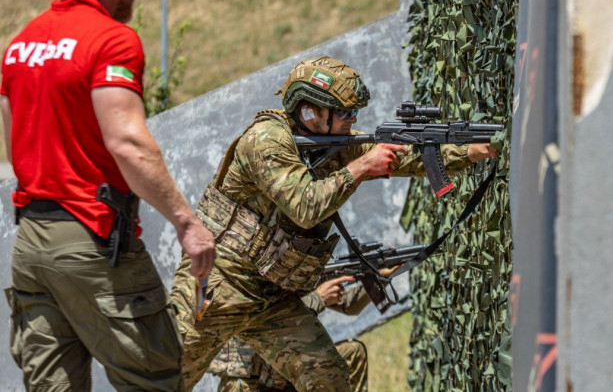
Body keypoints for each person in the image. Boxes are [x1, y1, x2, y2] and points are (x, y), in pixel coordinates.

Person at [171, 56, 498, 391]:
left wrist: (473, 150)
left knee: (329, 379)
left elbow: (407, 158)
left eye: (354, 113)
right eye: (345, 113)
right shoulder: (265, 140)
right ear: (311, 111)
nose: (353, 120)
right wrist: (360, 169)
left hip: (270, 298)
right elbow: (305, 206)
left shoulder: (332, 145)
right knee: (164, 377)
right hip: (218, 286)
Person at [0, 0, 216, 390]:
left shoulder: (21, 45)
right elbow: (128, 144)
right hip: (92, 240)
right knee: (152, 379)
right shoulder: (112, 40)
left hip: (32, 245)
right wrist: (186, 223)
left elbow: (16, 137)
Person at [210, 274, 382, 392]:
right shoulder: (252, 269)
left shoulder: (298, 269)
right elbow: (269, 318)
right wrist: (318, 298)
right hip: (249, 379)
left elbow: (349, 305)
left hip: (286, 372)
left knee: (352, 352)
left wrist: (379, 278)